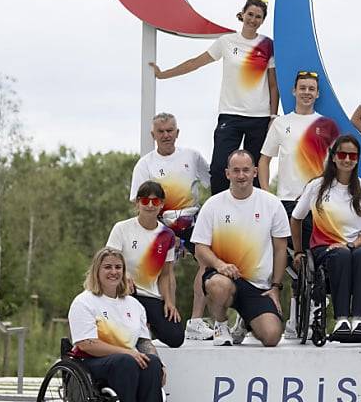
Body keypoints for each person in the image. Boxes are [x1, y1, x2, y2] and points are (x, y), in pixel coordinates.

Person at [150, 0, 279, 193]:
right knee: (219, 168)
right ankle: (217, 211)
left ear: (263, 20)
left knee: (253, 172)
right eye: (250, 14)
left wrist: (273, 116)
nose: (253, 19)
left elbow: (272, 85)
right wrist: (163, 74)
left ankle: (255, 216)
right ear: (242, 14)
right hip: (230, 114)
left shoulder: (268, 45)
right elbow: (195, 62)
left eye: (258, 17)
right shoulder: (226, 42)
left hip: (259, 117)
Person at [257, 70, 340, 337]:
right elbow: (264, 159)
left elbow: (339, 165)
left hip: (319, 204)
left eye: (311, 88)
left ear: (317, 93)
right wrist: (265, 193)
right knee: (290, 263)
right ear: (293, 91)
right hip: (287, 203)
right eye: (302, 87)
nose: (306, 92)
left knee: (315, 261)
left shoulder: (327, 125)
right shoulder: (281, 123)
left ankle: (308, 316)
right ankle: (282, 319)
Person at [128, 112, 214, 341]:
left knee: (208, 262)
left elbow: (214, 183)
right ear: (153, 135)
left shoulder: (192, 156)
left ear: (177, 132)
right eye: (161, 132)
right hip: (161, 222)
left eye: (170, 131)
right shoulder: (145, 164)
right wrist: (162, 228)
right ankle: (166, 317)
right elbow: (139, 202)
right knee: (163, 269)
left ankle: (195, 321)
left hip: (192, 219)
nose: (166, 136)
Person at [192, 150, 290, 346]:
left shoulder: (272, 204)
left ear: (255, 172)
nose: (241, 175)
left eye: (246, 170)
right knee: (219, 286)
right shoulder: (213, 205)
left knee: (272, 336)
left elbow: (280, 249)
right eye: (236, 170)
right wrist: (219, 265)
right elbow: (200, 248)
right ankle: (221, 325)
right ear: (227, 174)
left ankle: (246, 322)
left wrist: (276, 287)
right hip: (223, 278)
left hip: (258, 286)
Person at [290, 135, 361, 337]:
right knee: (341, 256)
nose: (347, 159)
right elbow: (296, 218)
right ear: (333, 157)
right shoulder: (316, 187)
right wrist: (297, 251)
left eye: (352, 155)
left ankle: (358, 320)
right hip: (324, 248)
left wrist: (352, 244)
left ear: (357, 159)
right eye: (342, 154)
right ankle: (341, 320)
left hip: (357, 246)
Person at [67, 247, 163, 402]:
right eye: (107, 267)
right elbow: (86, 344)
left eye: (118, 267)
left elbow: (144, 341)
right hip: (92, 362)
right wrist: (127, 352)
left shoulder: (134, 304)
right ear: (97, 271)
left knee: (152, 364)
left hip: (127, 360)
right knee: (126, 362)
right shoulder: (84, 302)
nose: (114, 272)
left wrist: (159, 364)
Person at [106, 181, 183, 348]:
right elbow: (108, 262)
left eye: (155, 201)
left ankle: (146, 323)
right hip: (125, 292)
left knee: (176, 337)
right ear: (137, 203)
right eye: (145, 201)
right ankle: (138, 329)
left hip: (150, 295)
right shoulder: (122, 228)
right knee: (129, 335)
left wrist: (169, 302)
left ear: (161, 204)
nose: (150, 205)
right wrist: (124, 275)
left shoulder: (167, 235)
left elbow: (165, 274)